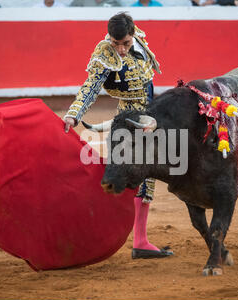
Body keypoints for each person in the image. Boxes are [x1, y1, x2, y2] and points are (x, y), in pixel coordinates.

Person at [64, 12, 173, 259]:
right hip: (128, 120)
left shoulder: (140, 39)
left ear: (133, 34)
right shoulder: (104, 55)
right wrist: (73, 114)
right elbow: (90, 87)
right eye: (116, 44)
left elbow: (148, 81)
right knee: (132, 177)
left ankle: (140, 241)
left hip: (150, 116)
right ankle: (108, 233)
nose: (121, 50)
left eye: (125, 43)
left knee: (149, 179)